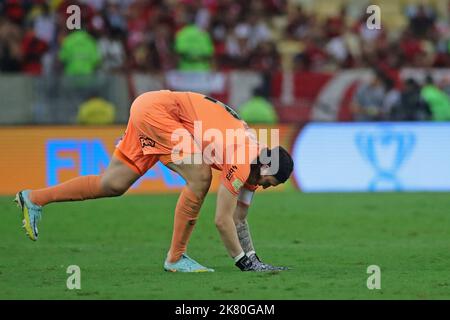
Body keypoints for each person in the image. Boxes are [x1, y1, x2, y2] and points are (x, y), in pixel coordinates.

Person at [15, 90, 294, 272]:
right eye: (270, 182)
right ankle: (175, 258)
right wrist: (244, 262)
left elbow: (239, 216)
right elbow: (223, 219)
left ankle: (34, 198)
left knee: (112, 184)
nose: (267, 187)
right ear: (267, 165)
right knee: (200, 177)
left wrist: (255, 258)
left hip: (156, 113)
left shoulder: (257, 162)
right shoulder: (244, 160)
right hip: (160, 113)